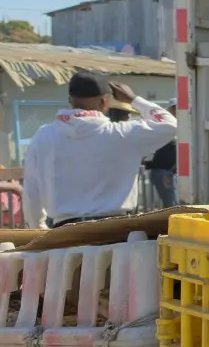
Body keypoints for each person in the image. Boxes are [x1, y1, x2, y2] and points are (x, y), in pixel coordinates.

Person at [23, 71, 177, 229]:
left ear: (70, 100)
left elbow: (31, 191)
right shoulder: (123, 134)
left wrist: (38, 228)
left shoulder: (43, 137)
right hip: (116, 233)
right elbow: (170, 124)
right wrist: (133, 99)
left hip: (65, 234)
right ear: (104, 102)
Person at [143, 103, 179, 208]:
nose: (177, 112)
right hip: (164, 172)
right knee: (172, 205)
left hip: (170, 172)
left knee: (173, 204)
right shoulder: (166, 128)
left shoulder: (184, 127)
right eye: (174, 109)